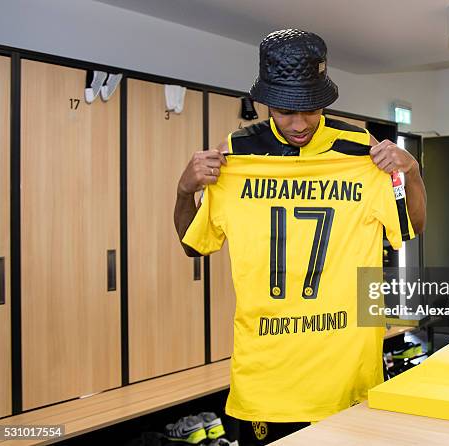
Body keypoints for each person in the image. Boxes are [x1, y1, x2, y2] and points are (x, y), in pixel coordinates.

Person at [174, 29, 426, 444]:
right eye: (285, 110)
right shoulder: (235, 155)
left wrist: (411, 172)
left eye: (309, 109)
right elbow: (192, 245)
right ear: (264, 102)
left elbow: (412, 227)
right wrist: (185, 191)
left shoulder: (360, 151)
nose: (298, 123)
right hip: (267, 383)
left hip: (348, 378)